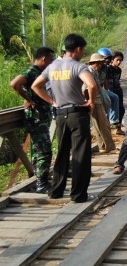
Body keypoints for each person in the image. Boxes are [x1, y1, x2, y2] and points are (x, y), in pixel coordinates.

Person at [32, 33, 97, 203]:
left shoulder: (52, 66)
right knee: (81, 155)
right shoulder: (78, 66)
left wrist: (52, 101)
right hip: (77, 114)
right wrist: (91, 102)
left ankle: (56, 191)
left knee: (62, 154)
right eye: (82, 50)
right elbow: (91, 84)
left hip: (60, 115)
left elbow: (35, 86)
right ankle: (78, 195)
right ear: (78, 49)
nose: (82, 53)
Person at [10, 47, 55, 193]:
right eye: (50, 59)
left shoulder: (40, 73)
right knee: (45, 151)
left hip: (41, 116)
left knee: (37, 150)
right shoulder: (32, 71)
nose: (51, 62)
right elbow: (15, 84)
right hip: (36, 118)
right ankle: (42, 183)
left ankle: (40, 179)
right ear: (43, 58)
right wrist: (28, 99)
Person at [86, 53, 116, 153]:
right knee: (104, 125)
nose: (100, 66)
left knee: (98, 125)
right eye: (99, 64)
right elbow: (85, 89)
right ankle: (110, 147)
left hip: (96, 101)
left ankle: (102, 146)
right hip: (95, 101)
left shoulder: (93, 72)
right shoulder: (89, 72)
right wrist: (91, 101)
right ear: (95, 63)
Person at [107, 51, 125, 135]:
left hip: (118, 91)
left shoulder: (119, 70)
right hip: (110, 91)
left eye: (120, 60)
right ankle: (108, 130)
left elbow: (118, 81)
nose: (119, 62)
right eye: (117, 60)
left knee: (121, 110)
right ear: (112, 60)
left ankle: (118, 129)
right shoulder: (108, 69)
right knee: (108, 112)